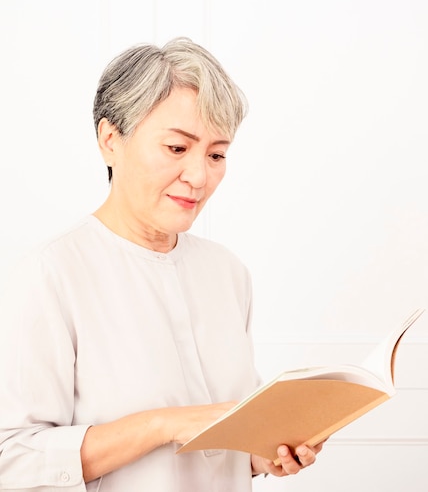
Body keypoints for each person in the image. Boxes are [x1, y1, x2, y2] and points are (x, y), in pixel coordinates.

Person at [0, 38, 323, 491]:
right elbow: (12, 459)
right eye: (176, 148)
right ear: (110, 140)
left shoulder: (227, 274)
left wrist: (267, 453)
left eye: (216, 154)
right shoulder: (51, 276)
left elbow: (224, 435)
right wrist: (163, 425)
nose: (199, 176)